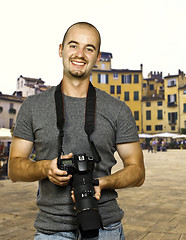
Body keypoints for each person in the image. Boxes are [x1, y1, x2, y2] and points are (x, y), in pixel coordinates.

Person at [8, 22, 145, 239]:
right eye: (74, 46)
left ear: (97, 57)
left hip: (106, 226)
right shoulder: (33, 107)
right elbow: (14, 168)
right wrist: (46, 168)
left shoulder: (118, 109)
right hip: (52, 228)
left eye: (89, 48)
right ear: (61, 49)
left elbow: (137, 171)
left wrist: (101, 182)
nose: (80, 54)